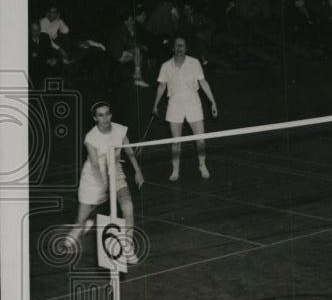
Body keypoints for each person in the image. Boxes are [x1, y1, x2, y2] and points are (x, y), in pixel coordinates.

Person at [63, 102, 144, 261]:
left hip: (116, 172)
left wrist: (138, 171)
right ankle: (78, 229)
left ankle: (127, 246)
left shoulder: (120, 130)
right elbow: (94, 164)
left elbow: (129, 150)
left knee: (128, 208)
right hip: (93, 177)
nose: (105, 118)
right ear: (95, 118)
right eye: (100, 115)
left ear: (111, 115)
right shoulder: (91, 137)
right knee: (81, 218)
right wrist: (103, 185)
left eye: (107, 114)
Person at [152, 36, 219, 181]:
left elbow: (203, 82)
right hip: (174, 105)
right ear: (173, 48)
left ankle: (202, 165)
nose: (179, 48)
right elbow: (162, 86)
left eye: (182, 45)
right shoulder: (165, 66)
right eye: (177, 45)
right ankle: (175, 170)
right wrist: (155, 105)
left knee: (200, 140)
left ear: (186, 48)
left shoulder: (195, 63)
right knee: (176, 142)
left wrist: (213, 102)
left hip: (193, 103)